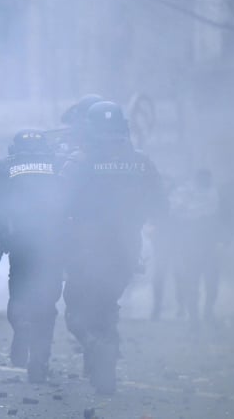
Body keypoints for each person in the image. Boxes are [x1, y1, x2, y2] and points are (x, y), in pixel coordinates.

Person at [61, 101, 166, 394]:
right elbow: (161, 205)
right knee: (106, 305)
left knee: (76, 313)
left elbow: (57, 205)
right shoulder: (142, 162)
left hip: (86, 249)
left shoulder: (78, 162)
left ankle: (96, 347)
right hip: (127, 248)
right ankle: (103, 365)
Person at [0, 129, 67, 383]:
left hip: (20, 243)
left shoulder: (4, 166)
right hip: (53, 245)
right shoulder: (60, 165)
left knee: (19, 296)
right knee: (47, 305)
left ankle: (22, 326)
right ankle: (39, 363)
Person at [169, 168, 222, 327]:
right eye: (202, 179)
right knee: (192, 283)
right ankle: (194, 318)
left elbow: (224, 220)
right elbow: (175, 216)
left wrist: (223, 241)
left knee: (212, 284)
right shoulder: (184, 195)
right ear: (197, 180)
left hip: (211, 248)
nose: (206, 181)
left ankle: (208, 312)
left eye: (207, 179)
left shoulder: (215, 196)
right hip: (190, 248)